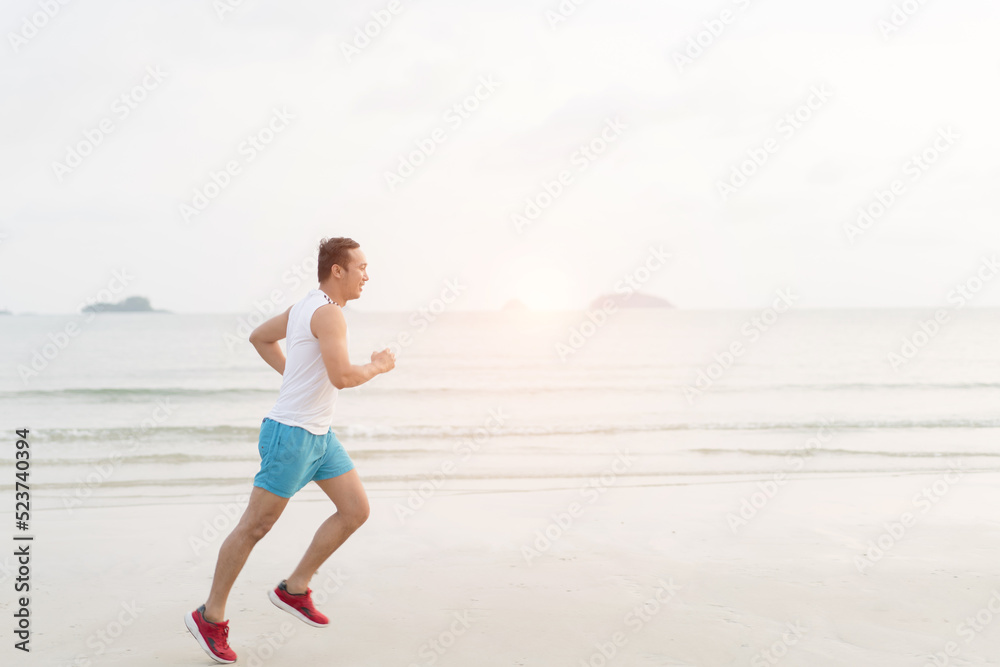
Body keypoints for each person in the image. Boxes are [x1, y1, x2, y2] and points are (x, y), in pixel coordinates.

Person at [185, 237, 395, 663]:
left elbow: (259, 337)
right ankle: (210, 616)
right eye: (361, 268)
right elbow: (341, 377)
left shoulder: (305, 306)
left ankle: (294, 588)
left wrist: (292, 374)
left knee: (355, 510)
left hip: (319, 436)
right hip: (291, 437)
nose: (367, 276)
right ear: (338, 270)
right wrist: (378, 365)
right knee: (253, 528)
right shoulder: (329, 315)